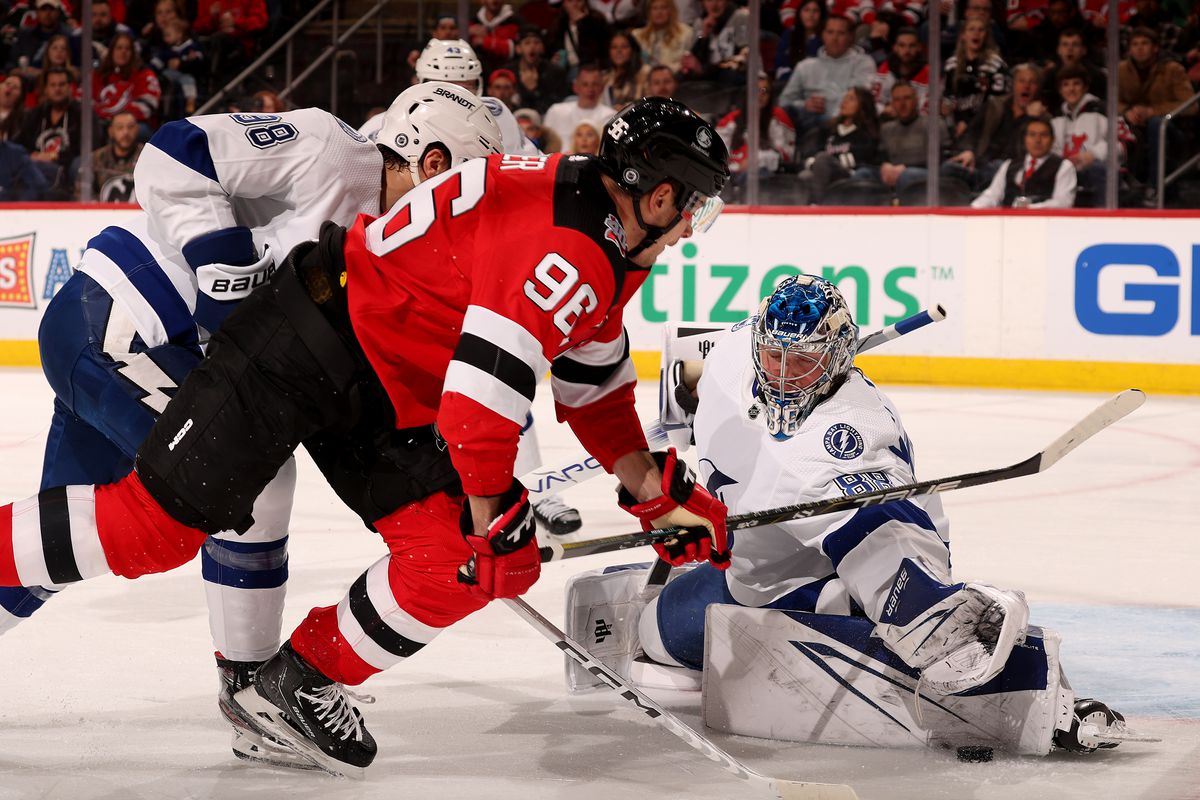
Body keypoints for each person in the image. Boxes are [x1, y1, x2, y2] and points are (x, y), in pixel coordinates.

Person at [0, 96, 733, 778]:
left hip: (386, 378)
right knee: (158, 528)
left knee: (448, 558)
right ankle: (245, 675)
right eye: (695, 208)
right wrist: (492, 513)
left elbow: (592, 384)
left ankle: (294, 684)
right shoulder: (572, 248)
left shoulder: (602, 227)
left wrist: (651, 490)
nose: (691, 225)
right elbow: (481, 399)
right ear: (662, 196)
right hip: (308, 336)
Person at [0, 82, 504, 770]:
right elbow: (175, 152)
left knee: (54, 557)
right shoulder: (331, 152)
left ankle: (253, 688)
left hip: (158, 348)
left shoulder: (402, 242)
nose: (471, 215)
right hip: (125, 320)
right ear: (433, 161)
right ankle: (252, 689)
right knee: (247, 477)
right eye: (469, 187)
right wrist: (223, 263)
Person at [571, 274, 1133, 757]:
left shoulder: (850, 433)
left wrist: (917, 603)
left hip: (814, 572)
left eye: (804, 361)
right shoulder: (739, 347)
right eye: (776, 357)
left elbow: (883, 528)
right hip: (747, 571)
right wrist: (674, 421)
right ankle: (847, 607)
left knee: (892, 591)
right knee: (654, 634)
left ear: (837, 357)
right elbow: (688, 361)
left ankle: (927, 621)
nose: (785, 375)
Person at [778, 15, 876, 147]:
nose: (834, 38)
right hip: (807, 120)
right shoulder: (805, 66)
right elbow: (784, 101)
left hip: (844, 122)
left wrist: (833, 120)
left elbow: (859, 100)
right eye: (830, 32)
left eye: (840, 33)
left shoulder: (863, 63)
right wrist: (804, 105)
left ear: (851, 37)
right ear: (822, 35)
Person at [971, 116, 1077, 207]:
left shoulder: (1064, 167)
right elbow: (991, 196)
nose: (1038, 140)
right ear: (1025, 139)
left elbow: (1064, 203)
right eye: (1032, 135)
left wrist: (1030, 209)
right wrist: (973, 209)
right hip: (1009, 223)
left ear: (1052, 139)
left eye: (1044, 135)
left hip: (1044, 225)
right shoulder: (1009, 165)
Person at [798, 86, 880, 203]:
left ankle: (817, 208)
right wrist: (819, 164)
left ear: (863, 105)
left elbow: (862, 159)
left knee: (823, 158)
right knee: (805, 175)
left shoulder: (866, 133)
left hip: (849, 176)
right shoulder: (827, 130)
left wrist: (825, 162)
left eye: (851, 99)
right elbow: (810, 155)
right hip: (823, 173)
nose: (844, 101)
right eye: (845, 98)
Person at [1051, 64, 1113, 206]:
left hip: (1094, 169)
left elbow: (1125, 141)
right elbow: (1051, 148)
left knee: (1097, 170)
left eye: (1076, 84)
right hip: (1065, 170)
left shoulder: (1103, 110)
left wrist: (1093, 155)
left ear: (1085, 87)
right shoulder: (1055, 117)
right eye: (1066, 85)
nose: (1071, 89)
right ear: (1060, 90)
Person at [16, 65, 80, 197]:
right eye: (53, 85)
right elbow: (18, 145)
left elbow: (86, 149)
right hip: (34, 171)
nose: (57, 89)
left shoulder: (82, 114)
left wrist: (54, 156)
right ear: (46, 89)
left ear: (70, 87)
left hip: (65, 173)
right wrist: (33, 156)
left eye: (62, 84)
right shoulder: (34, 115)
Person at [715, 71, 796, 175]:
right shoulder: (731, 119)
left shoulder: (778, 117)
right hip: (731, 173)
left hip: (765, 176)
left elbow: (785, 155)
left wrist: (755, 161)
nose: (760, 95)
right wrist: (735, 167)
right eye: (756, 90)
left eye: (765, 91)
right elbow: (717, 153)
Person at [941, 16, 1009, 140]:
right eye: (971, 29)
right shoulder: (952, 64)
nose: (976, 33)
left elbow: (998, 103)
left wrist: (968, 122)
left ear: (986, 36)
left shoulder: (995, 64)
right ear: (963, 35)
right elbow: (948, 96)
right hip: (957, 123)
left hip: (986, 125)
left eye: (981, 30)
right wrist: (957, 119)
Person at [92, 31, 162, 135]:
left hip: (134, 123)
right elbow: (83, 101)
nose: (123, 52)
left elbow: (147, 106)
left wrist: (115, 119)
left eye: (127, 48)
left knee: (138, 130)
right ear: (111, 51)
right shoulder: (97, 75)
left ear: (133, 52)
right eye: (119, 48)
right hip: (101, 122)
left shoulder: (144, 74)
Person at [542, 63, 615, 151]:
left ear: (602, 88)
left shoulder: (611, 117)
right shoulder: (556, 111)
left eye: (595, 84)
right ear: (575, 87)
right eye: (585, 84)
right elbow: (544, 144)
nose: (590, 89)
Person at [678, 0, 750, 85]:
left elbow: (744, 56)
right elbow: (696, 59)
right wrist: (704, 35)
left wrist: (704, 70)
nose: (714, 5)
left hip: (733, 76)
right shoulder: (700, 23)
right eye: (709, 0)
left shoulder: (741, 16)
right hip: (708, 77)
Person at [503, 26, 569, 116]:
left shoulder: (555, 73)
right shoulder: (508, 71)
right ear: (518, 49)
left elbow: (554, 107)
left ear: (542, 48)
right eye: (527, 43)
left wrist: (533, 91)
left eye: (536, 42)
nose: (532, 47)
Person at [79, 108, 142, 200]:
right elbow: (81, 192)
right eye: (120, 127)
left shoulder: (147, 157)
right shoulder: (95, 158)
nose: (126, 132)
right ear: (111, 131)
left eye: (130, 127)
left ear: (137, 129)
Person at [148, 17, 204, 117]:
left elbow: (198, 59)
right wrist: (150, 69)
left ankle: (190, 100)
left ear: (179, 34)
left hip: (185, 75)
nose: (165, 38)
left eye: (168, 35)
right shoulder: (167, 50)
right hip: (170, 75)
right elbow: (157, 62)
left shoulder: (190, 46)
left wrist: (188, 60)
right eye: (164, 35)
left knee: (188, 79)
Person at [870, 26, 929, 116]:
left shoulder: (928, 72)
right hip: (889, 118)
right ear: (895, 47)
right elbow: (873, 103)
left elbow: (926, 109)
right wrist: (885, 109)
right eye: (902, 45)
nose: (907, 50)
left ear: (919, 47)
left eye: (912, 45)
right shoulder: (885, 68)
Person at [632, 0, 696, 74]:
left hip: (676, 78)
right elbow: (634, 65)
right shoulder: (637, 35)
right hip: (644, 79)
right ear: (649, 13)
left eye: (663, 8)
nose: (659, 12)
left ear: (671, 11)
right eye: (655, 8)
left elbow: (687, 62)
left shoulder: (686, 33)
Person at [602, 30, 650, 108]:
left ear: (633, 50)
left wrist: (625, 108)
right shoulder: (605, 78)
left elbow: (651, 102)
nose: (619, 51)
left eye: (624, 47)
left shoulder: (646, 73)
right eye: (614, 47)